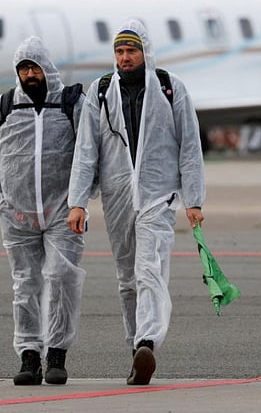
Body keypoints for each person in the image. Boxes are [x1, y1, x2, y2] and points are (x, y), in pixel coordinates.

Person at [67, 19, 205, 386]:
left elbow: (190, 145)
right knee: (127, 279)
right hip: (116, 197)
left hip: (159, 195)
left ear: (145, 52)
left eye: (132, 50)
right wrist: (77, 201)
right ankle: (136, 350)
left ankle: (148, 340)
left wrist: (193, 198)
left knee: (149, 269)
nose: (125, 58)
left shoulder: (170, 89)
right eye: (120, 51)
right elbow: (85, 151)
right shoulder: (99, 92)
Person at [0, 36, 86, 386]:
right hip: (17, 215)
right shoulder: (4, 106)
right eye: (23, 68)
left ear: (46, 67)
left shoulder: (70, 103)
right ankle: (28, 355)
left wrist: (80, 200)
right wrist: (0, 204)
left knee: (61, 278)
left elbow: (89, 153)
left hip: (63, 212)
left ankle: (56, 353)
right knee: (25, 284)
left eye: (34, 67)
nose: (29, 74)